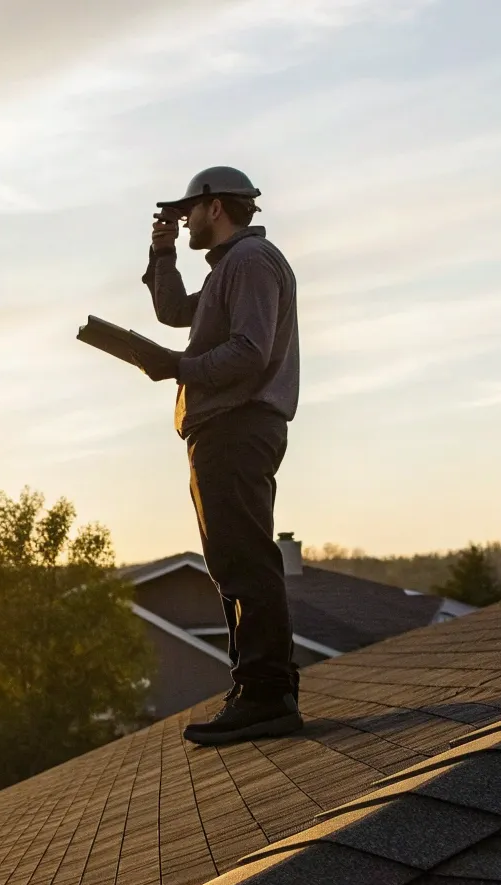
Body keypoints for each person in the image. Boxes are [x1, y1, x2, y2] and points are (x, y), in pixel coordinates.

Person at [137, 166, 304, 745]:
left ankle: (267, 694)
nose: (182, 222)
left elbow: (250, 351)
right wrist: (162, 255)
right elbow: (174, 313)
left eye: (187, 214)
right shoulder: (229, 269)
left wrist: (178, 367)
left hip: (238, 422)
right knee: (232, 558)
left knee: (244, 557)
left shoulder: (251, 263)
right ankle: (257, 688)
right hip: (221, 425)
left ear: (215, 207)